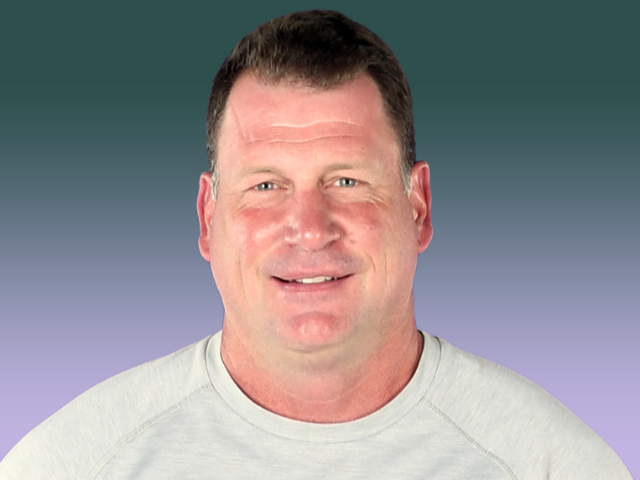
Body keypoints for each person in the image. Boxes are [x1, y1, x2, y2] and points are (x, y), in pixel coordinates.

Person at [0, 10, 631, 480]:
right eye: (266, 185)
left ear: (417, 207)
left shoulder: (553, 465)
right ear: (208, 217)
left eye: (347, 181)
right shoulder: (69, 465)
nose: (308, 227)